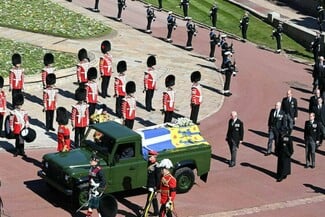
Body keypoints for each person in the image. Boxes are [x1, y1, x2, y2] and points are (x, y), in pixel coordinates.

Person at [10, 93, 29, 157]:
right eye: (19, 104)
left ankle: (22, 151)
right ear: (16, 104)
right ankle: (17, 150)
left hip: (22, 126)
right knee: (17, 139)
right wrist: (11, 128)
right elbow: (11, 120)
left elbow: (26, 119)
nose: (20, 106)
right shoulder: (13, 112)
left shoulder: (24, 111)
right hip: (17, 127)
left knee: (22, 139)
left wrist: (27, 124)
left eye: (20, 104)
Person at [141, 150, 160, 217]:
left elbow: (158, 178)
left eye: (150, 157)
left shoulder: (157, 166)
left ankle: (144, 214)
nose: (149, 158)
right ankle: (156, 212)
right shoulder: (150, 163)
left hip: (153, 187)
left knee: (148, 201)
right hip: (150, 185)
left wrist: (156, 188)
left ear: (155, 157)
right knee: (154, 199)